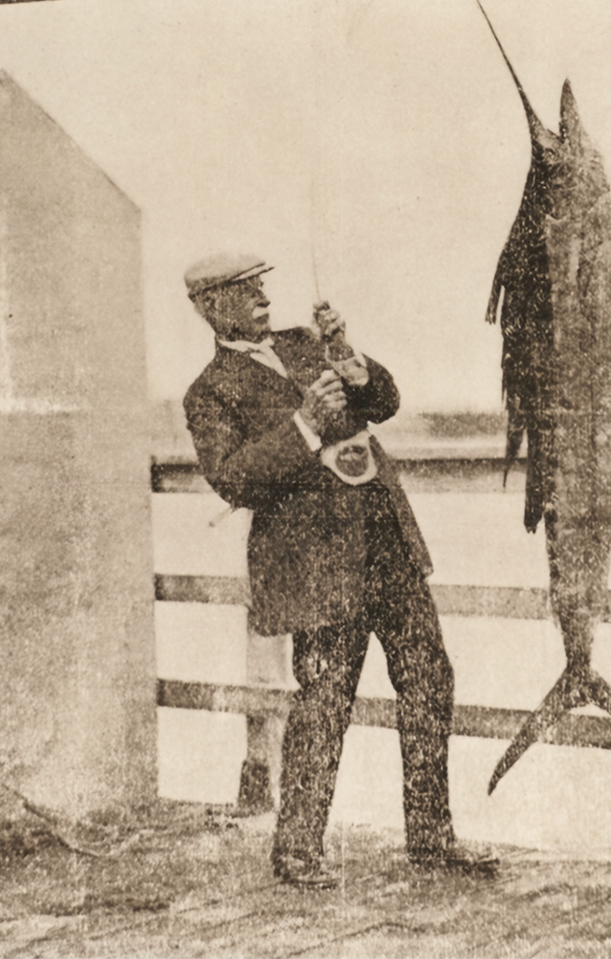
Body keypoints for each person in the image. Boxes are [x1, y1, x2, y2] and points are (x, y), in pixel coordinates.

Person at [182, 253, 498, 889]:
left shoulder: (306, 344)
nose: (263, 297)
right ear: (210, 306)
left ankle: (432, 839)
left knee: (431, 681)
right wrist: (305, 425)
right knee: (324, 703)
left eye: (262, 286)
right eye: (245, 291)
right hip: (317, 567)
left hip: (386, 547)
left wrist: (352, 360)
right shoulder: (208, 392)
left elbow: (384, 402)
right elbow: (233, 479)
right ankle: (297, 852)